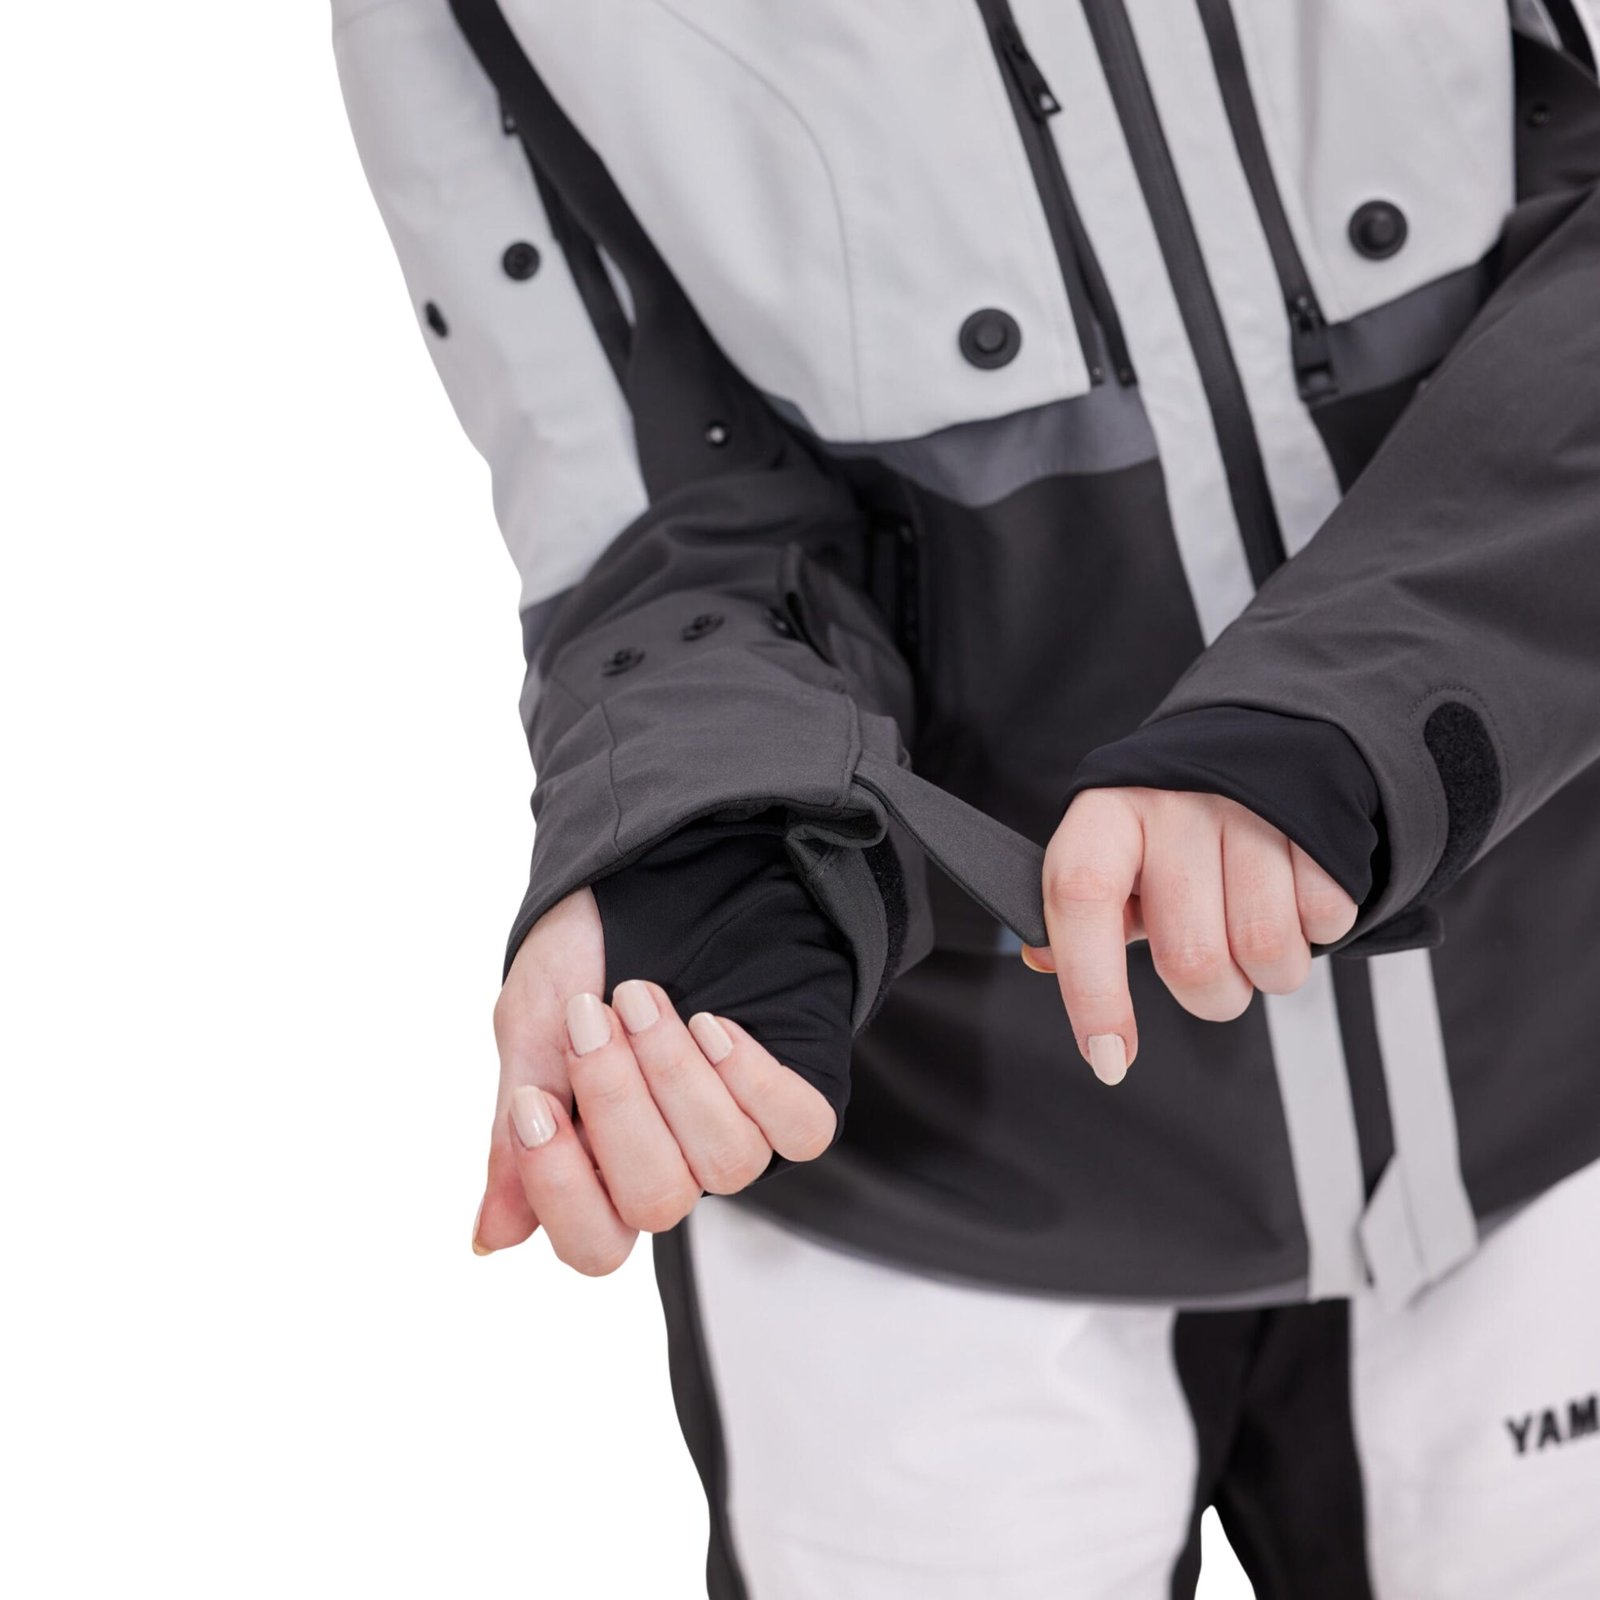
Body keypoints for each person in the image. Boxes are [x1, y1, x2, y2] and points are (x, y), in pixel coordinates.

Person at [333, 1, 1600, 1593]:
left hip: (1558, 1075)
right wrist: (714, 851)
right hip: (925, 1184)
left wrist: (1354, 711)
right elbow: (658, 504)